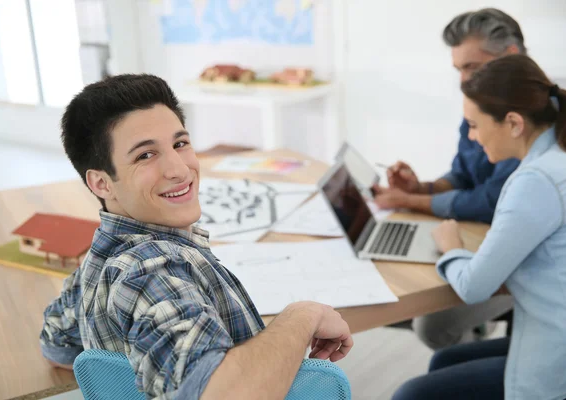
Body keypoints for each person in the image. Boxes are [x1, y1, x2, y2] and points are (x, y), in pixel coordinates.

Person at [39, 74, 354, 399]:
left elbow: (56, 345)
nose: (179, 169)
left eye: (179, 143)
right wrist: (301, 316)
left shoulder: (99, 259)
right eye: (145, 155)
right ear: (102, 183)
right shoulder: (150, 271)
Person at [393, 54, 566, 400]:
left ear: (513, 123)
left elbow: (473, 287)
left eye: (475, 125)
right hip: (560, 336)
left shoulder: (536, 180)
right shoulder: (561, 156)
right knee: (445, 360)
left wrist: (452, 246)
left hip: (562, 365)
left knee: (411, 395)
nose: (473, 138)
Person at [377, 8, 524, 350]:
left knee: (432, 324)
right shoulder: (479, 100)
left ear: (510, 56)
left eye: (472, 66)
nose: (462, 79)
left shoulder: (531, 118)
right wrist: (421, 188)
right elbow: (462, 173)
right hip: (480, 241)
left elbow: (491, 200)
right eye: (458, 69)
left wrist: (409, 202)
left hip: (522, 265)